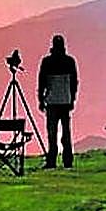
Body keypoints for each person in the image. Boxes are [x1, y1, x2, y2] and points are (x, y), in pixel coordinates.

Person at [37, 34, 79, 169]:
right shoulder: (70, 61)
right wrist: (72, 99)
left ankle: (51, 161)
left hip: (51, 102)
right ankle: (68, 161)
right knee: (66, 133)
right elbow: (74, 83)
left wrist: (40, 99)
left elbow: (41, 82)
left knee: (52, 133)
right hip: (66, 101)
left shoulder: (47, 62)